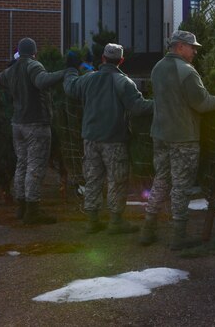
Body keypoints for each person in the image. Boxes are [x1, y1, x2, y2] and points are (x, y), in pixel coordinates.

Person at [141, 30, 215, 249]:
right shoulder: (187, 72)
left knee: (160, 180)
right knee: (181, 186)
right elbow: (202, 103)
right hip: (183, 137)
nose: (196, 51)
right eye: (192, 47)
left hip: (160, 134)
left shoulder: (157, 68)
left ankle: (147, 230)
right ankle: (179, 237)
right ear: (180, 46)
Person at [64, 43, 152, 235]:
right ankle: (116, 221)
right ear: (121, 61)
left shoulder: (88, 79)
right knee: (117, 180)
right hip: (114, 140)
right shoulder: (123, 82)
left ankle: (92, 221)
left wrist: (70, 68)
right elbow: (138, 107)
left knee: (93, 179)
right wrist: (160, 103)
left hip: (90, 139)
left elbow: (70, 88)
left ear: (102, 58)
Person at [0, 37, 65, 225]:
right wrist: (65, 72)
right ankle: (33, 210)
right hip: (36, 124)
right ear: (34, 52)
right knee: (35, 167)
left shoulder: (12, 69)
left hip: (18, 124)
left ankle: (21, 207)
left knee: (22, 164)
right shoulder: (34, 65)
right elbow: (42, 81)